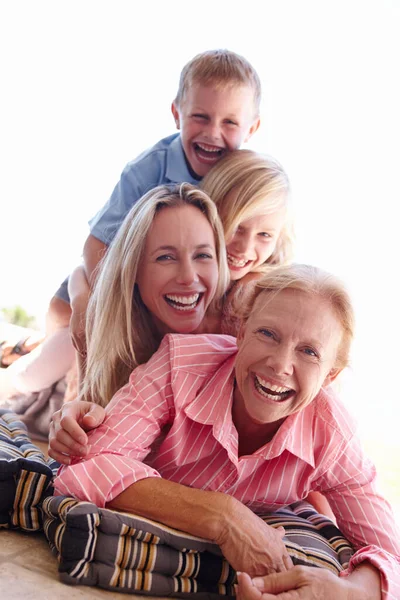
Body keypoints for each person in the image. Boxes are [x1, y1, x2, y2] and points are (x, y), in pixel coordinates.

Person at [54, 263, 400, 599]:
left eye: (309, 351)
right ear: (242, 331)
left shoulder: (333, 435)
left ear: (329, 376)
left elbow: (391, 554)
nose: (280, 365)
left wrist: (354, 593)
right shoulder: (180, 365)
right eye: (267, 334)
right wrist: (224, 516)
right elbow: (88, 463)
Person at [48, 150, 293, 458]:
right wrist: (74, 417)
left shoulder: (246, 309)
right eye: (165, 257)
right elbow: (92, 405)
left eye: (203, 255)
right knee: (40, 375)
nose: (245, 247)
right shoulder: (115, 322)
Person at [48, 48, 262, 333]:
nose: (212, 133)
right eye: (200, 116)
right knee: (60, 313)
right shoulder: (147, 170)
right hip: (122, 275)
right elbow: (97, 244)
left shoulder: (249, 181)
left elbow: (266, 250)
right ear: (177, 114)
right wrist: (116, 307)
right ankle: (36, 352)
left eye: (230, 123)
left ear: (251, 128)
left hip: (187, 285)